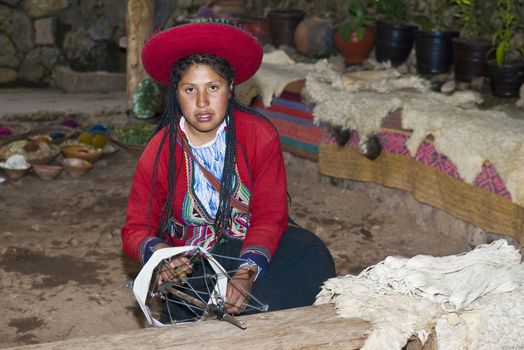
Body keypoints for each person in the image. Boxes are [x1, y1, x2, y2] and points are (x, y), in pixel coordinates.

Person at [120, 20, 336, 323]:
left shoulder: (259, 135)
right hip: (197, 262)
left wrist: (247, 271)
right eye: (190, 89)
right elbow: (135, 230)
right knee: (196, 295)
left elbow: (270, 214)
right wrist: (162, 257)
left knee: (312, 258)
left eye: (213, 87)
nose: (202, 102)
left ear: (231, 88)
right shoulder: (159, 152)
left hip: (255, 246)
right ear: (176, 94)